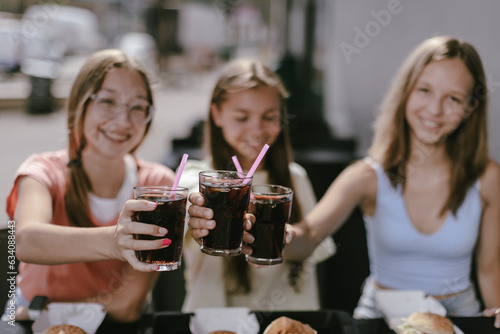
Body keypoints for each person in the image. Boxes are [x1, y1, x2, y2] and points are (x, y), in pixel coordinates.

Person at [186, 36, 500, 328]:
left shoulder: (488, 177)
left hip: (461, 318)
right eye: (425, 90)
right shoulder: (367, 175)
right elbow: (308, 237)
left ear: (472, 106)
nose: (435, 109)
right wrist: (279, 235)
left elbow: (490, 269)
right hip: (382, 318)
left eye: (454, 98)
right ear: (406, 92)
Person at [4, 49, 175, 322]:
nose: (122, 120)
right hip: (31, 320)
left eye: (137, 107)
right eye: (107, 101)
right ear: (79, 105)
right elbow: (25, 241)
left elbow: (127, 306)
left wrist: (56, 314)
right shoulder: (42, 171)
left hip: (101, 323)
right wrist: (114, 241)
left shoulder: (157, 184)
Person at [177, 58, 335, 311]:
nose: (256, 129)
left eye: (269, 116)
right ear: (216, 114)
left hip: (286, 322)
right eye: (242, 117)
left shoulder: (294, 178)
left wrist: (281, 238)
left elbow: (309, 245)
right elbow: (191, 201)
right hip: (215, 323)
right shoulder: (197, 176)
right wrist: (202, 211)